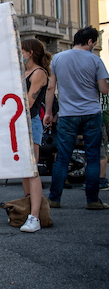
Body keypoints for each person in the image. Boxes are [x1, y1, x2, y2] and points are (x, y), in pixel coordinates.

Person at [44, 26, 109, 209]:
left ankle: (54, 198)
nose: (93, 46)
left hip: (67, 114)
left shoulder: (58, 58)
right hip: (91, 113)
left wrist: (49, 113)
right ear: (90, 41)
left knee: (62, 158)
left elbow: (50, 88)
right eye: (94, 43)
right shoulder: (95, 60)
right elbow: (104, 89)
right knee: (93, 157)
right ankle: (92, 200)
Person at [16, 39, 51, 232]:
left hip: (32, 123)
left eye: (21, 50)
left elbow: (28, 103)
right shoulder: (26, 72)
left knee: (32, 170)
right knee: (25, 170)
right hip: (23, 122)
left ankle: (35, 216)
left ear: (29, 52)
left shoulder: (39, 73)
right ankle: (30, 211)